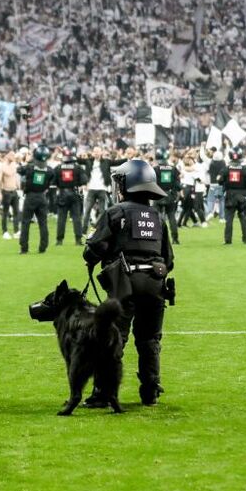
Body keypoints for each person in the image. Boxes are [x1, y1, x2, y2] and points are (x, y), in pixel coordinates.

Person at [83, 159, 174, 406]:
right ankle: (150, 391)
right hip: (156, 284)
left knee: (113, 339)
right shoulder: (157, 217)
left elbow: (95, 247)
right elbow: (169, 259)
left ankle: (103, 393)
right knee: (150, 341)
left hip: (125, 285)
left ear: (126, 184)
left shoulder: (115, 213)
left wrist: (91, 256)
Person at [18, 145, 54, 254]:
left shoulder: (29, 167)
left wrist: (28, 161)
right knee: (43, 223)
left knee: (26, 222)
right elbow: (51, 179)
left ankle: (24, 248)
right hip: (42, 197)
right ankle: (43, 247)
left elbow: (19, 170)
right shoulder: (49, 170)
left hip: (30, 196)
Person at [219, 148, 246, 244]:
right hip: (242, 196)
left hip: (230, 196)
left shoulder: (226, 169)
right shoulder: (245, 169)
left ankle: (228, 240)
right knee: (244, 219)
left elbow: (219, 180)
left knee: (229, 220)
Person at [54, 147, 87, 246]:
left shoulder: (58, 168)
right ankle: (78, 240)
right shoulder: (77, 167)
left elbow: (53, 181)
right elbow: (84, 181)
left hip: (62, 194)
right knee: (76, 218)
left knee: (61, 218)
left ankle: (59, 240)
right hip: (74, 193)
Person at [152, 148, 181, 244]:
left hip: (158, 194)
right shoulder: (173, 169)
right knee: (171, 216)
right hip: (169, 195)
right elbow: (178, 185)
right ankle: (175, 238)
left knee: (156, 217)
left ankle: (157, 237)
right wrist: (176, 192)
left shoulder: (155, 169)